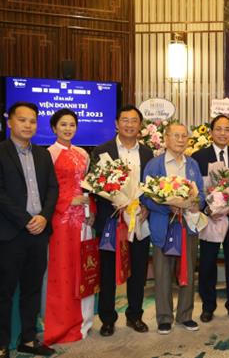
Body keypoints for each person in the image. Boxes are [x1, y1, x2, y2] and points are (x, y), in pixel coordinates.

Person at [0, 102, 59, 358]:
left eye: (32, 121)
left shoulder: (43, 154)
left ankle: (28, 339)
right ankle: (1, 345)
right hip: (10, 233)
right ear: (10, 122)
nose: (28, 125)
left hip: (39, 232)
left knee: (32, 288)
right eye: (22, 120)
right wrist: (27, 220)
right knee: (4, 291)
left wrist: (44, 217)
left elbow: (53, 189)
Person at [91, 105, 154, 337]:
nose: (129, 124)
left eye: (134, 120)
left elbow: (151, 185)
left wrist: (146, 206)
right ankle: (107, 319)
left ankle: (135, 315)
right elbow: (95, 185)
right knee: (107, 271)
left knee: (138, 270)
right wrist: (114, 202)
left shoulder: (147, 153)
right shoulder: (101, 151)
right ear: (116, 123)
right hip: (111, 219)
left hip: (138, 219)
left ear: (140, 125)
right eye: (125, 120)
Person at [142, 122, 205, 335]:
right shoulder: (154, 165)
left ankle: (185, 315)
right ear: (166, 138)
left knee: (188, 269)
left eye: (184, 136)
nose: (180, 140)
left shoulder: (193, 164)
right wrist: (166, 206)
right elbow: (146, 197)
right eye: (176, 136)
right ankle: (164, 318)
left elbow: (201, 194)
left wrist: (195, 203)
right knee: (162, 272)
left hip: (187, 223)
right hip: (163, 223)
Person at [43, 109, 96, 345]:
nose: (68, 129)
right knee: (63, 271)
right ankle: (62, 324)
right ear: (54, 128)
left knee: (84, 267)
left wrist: (91, 211)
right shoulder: (48, 154)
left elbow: (87, 186)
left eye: (72, 124)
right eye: (63, 124)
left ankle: (84, 320)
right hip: (62, 218)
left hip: (83, 218)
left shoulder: (83, 153)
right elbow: (45, 189)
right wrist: (67, 201)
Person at [191, 114, 229, 323]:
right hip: (210, 219)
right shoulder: (199, 157)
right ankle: (208, 306)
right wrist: (207, 209)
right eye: (219, 129)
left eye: (227, 129)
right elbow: (195, 188)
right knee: (207, 263)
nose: (223, 133)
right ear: (211, 132)